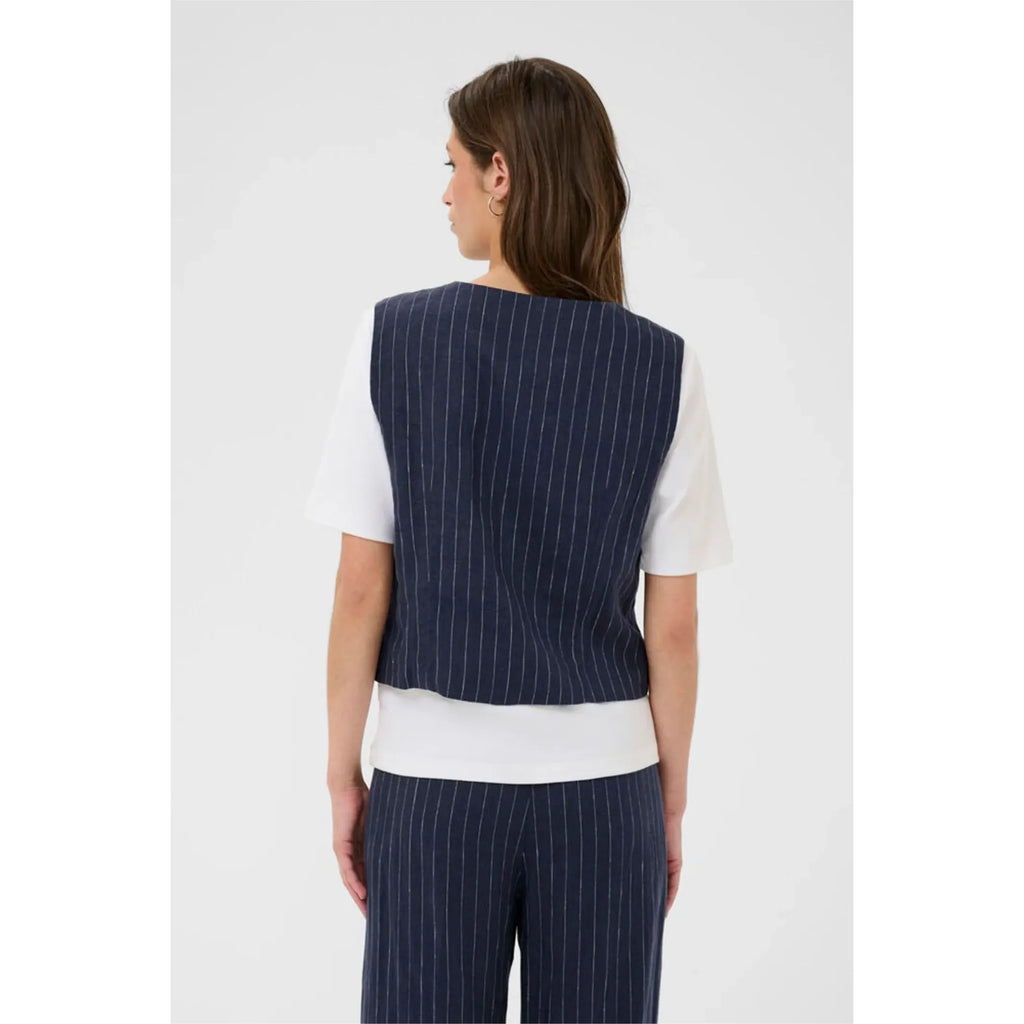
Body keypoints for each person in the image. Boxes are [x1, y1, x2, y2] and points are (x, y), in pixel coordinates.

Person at [305, 56, 733, 1024]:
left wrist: (342, 775)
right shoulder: (663, 367)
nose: (445, 191)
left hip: (434, 792)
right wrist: (666, 803)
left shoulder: (394, 340)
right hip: (605, 797)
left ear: (500, 174)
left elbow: (360, 589)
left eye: (453, 165)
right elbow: (673, 627)